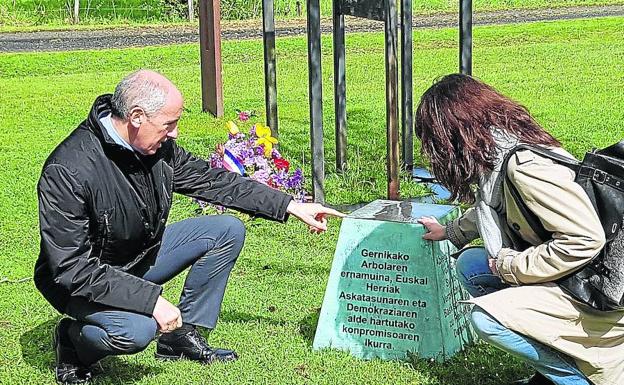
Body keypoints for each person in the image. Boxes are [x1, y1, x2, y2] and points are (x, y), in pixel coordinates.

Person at [34, 69, 344, 384]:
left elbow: (212, 180)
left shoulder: (157, 148)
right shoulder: (68, 170)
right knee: (137, 331)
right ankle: (73, 343)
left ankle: (179, 337)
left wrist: (290, 205)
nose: (175, 134)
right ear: (137, 117)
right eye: (169, 124)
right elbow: (72, 267)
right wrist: (150, 301)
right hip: (79, 280)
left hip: (135, 257)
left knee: (225, 230)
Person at [415, 74, 624, 385]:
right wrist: (449, 231)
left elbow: (584, 238)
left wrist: (511, 265)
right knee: (471, 266)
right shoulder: (502, 153)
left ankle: (576, 380)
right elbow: (496, 205)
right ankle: (552, 367)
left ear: (454, 135)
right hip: (575, 277)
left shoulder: (526, 168)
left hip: (596, 293)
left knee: (485, 318)